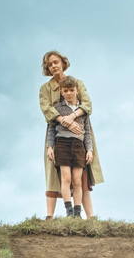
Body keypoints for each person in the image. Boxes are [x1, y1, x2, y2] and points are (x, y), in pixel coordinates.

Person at [39, 50, 104, 219]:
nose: (53, 66)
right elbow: (46, 109)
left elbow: (87, 104)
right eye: (49, 64)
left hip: (79, 129)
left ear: (62, 63)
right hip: (57, 132)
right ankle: (50, 216)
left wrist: (72, 117)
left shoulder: (78, 83)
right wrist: (63, 120)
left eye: (56, 62)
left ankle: (88, 217)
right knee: (55, 173)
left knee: (81, 176)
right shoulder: (45, 88)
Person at [46, 76, 93, 218]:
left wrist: (89, 149)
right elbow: (51, 129)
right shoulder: (57, 108)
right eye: (65, 91)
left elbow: (88, 132)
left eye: (71, 90)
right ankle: (69, 211)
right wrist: (50, 146)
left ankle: (78, 213)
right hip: (62, 144)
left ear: (77, 90)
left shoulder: (82, 110)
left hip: (79, 146)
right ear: (61, 92)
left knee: (77, 180)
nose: (69, 93)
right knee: (66, 178)